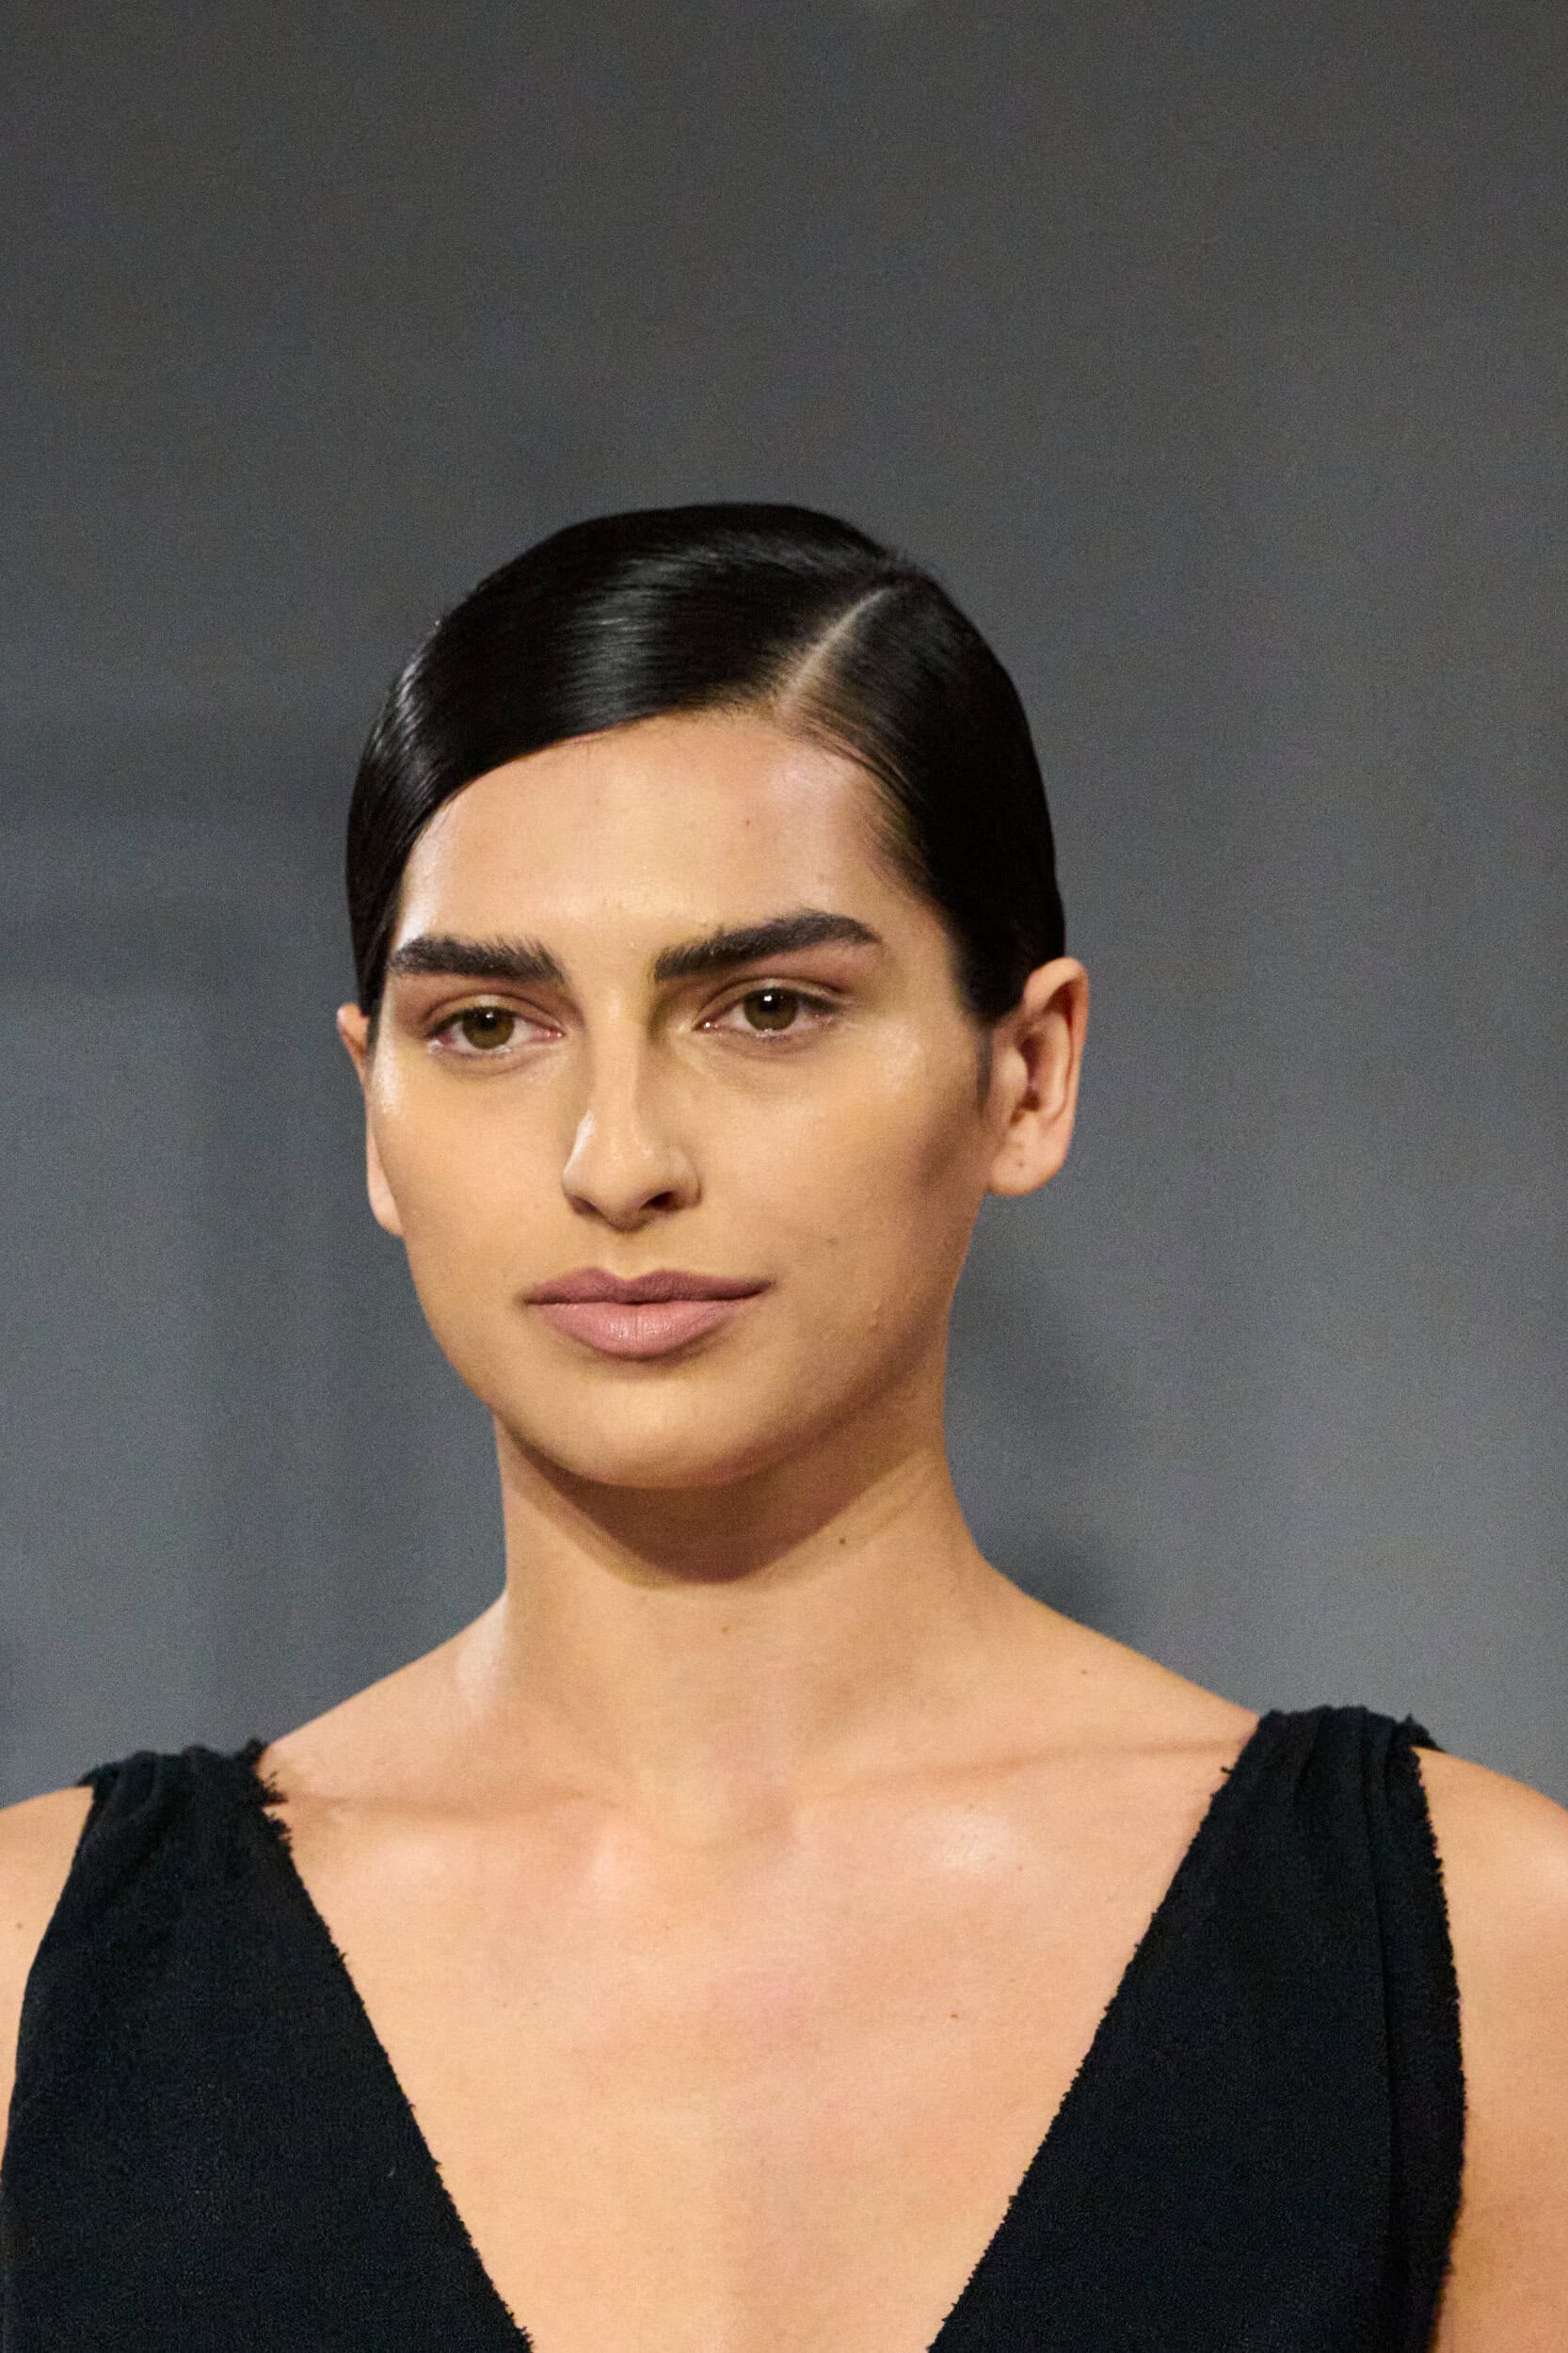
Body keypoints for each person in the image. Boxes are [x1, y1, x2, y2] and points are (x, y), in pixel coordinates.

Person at [0, 503, 1563, 2352]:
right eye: (488, 1024)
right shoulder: (35, 1986)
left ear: (1026, 1072)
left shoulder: (1476, 1964)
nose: (617, 1160)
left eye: (764, 1007)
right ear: (374, 1108)